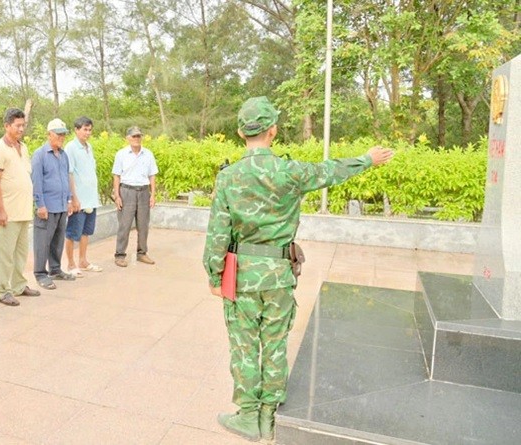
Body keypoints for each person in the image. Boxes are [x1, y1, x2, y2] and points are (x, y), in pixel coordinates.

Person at [203, 96, 394, 442]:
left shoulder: (229, 177)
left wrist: (215, 275)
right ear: (273, 131)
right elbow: (330, 171)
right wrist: (367, 159)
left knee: (245, 346)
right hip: (279, 273)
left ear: (239, 132)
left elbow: (218, 232)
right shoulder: (291, 172)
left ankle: (248, 417)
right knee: (274, 344)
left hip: (242, 274)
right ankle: (270, 415)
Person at [0, 108, 41, 306]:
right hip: (7, 213)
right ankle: (3, 291)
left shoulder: (23, 147)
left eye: (23, 125)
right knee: (5, 254)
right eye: (17, 125)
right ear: (7, 126)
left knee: (20, 253)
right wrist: (1, 210)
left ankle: (19, 285)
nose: (21, 129)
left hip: (24, 211)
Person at [31, 118, 76, 290]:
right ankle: (40, 273)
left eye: (63, 134)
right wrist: (40, 204)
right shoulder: (40, 155)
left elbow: (65, 178)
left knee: (58, 240)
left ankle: (55, 269)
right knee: (43, 241)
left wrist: (69, 200)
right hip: (47, 206)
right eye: (58, 134)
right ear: (49, 134)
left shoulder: (63, 155)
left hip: (62, 205)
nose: (61, 137)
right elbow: (37, 182)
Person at [112, 126, 159, 267]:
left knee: (143, 225)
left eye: (139, 136)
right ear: (127, 138)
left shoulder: (148, 154)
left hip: (144, 192)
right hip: (127, 191)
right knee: (124, 225)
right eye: (134, 136)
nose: (136, 139)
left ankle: (142, 253)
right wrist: (117, 196)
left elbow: (152, 175)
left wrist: (153, 195)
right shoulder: (121, 154)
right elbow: (116, 176)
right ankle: (120, 255)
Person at [64, 116, 103, 277]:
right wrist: (73, 198)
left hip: (91, 198)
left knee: (86, 232)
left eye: (89, 129)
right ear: (76, 130)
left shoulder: (89, 147)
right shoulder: (70, 148)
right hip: (78, 200)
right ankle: (71, 264)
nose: (87, 132)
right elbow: (70, 174)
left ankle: (83, 261)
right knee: (72, 233)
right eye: (84, 129)